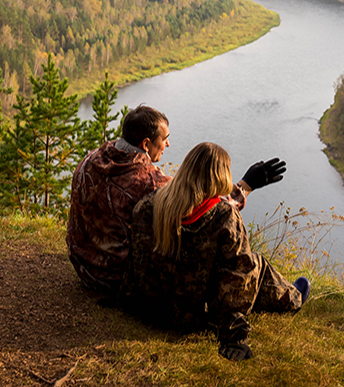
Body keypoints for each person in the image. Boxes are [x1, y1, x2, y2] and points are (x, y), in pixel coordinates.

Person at [66, 106, 286, 296]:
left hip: (83, 268)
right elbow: (212, 214)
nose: (168, 144)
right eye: (164, 139)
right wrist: (245, 186)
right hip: (116, 282)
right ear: (145, 144)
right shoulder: (150, 183)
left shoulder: (90, 159)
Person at [121, 142, 309, 362]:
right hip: (194, 318)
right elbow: (237, 277)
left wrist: (125, 297)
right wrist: (233, 338)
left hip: (151, 307)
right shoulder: (225, 218)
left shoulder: (149, 205)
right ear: (220, 177)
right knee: (257, 265)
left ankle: (289, 295)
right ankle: (294, 297)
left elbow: (137, 257)